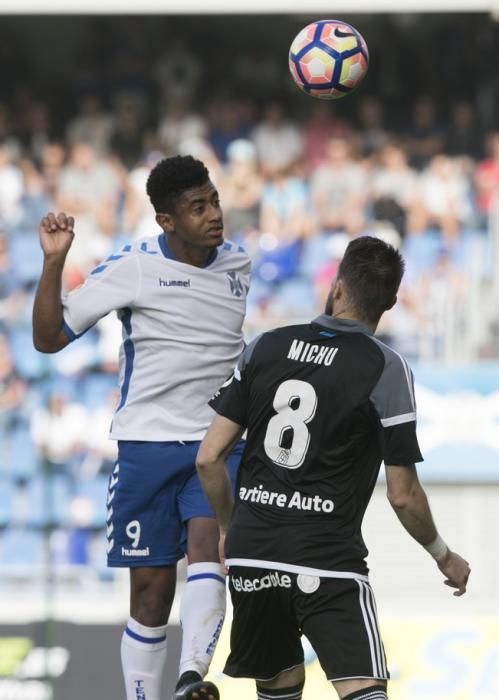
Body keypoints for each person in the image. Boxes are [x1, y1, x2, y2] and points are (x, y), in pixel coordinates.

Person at [196, 236, 470, 700]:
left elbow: (208, 457)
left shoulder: (267, 346)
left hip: (252, 553)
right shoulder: (386, 368)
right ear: (390, 302)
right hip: (326, 562)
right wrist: (443, 555)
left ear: (338, 287)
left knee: (279, 691)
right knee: (365, 692)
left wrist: (230, 528)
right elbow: (403, 495)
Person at [32, 154, 251, 700]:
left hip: (216, 442)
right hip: (146, 447)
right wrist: (55, 262)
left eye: (214, 201)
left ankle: (191, 678)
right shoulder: (132, 266)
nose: (213, 214)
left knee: (210, 546)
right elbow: (49, 338)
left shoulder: (239, 265)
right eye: (196, 207)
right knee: (150, 595)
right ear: (167, 221)